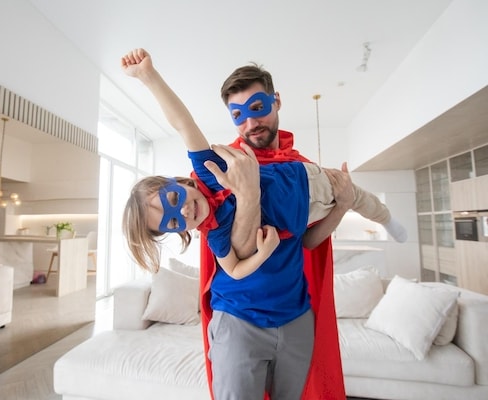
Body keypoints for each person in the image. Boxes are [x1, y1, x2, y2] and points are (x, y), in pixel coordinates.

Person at [120, 49, 406, 399]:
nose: (251, 123)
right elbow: (236, 263)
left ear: (276, 103)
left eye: (258, 109)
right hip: (240, 323)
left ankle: (386, 217)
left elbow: (309, 243)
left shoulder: (218, 173)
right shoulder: (222, 191)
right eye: (239, 115)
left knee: (359, 197)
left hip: (297, 316)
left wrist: (342, 206)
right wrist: (254, 211)